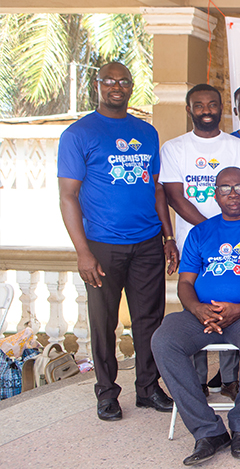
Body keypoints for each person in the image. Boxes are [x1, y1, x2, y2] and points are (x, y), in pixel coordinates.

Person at [57, 62, 179, 421]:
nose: (117, 87)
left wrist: (168, 236)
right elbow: (68, 196)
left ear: (130, 87)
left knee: (149, 320)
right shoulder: (79, 134)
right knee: (103, 322)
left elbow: (155, 188)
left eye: (123, 81)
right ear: (98, 85)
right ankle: (107, 393)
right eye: (109, 81)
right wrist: (82, 252)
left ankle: (148, 388)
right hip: (102, 245)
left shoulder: (146, 131)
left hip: (147, 243)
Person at [151, 167, 240, 466]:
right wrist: (198, 309)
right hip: (204, 312)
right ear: (215, 194)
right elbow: (185, 283)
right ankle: (208, 430)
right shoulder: (201, 232)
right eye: (225, 188)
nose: (233, 193)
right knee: (164, 340)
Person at [160, 83, 240, 400]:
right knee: (197, 307)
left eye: (212, 103)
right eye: (198, 104)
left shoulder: (239, 148)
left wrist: (226, 230)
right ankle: (198, 380)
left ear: (222, 108)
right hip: (194, 242)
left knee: (229, 299)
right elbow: (175, 196)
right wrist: (212, 230)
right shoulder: (174, 148)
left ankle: (229, 378)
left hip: (235, 244)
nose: (206, 109)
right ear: (189, 109)